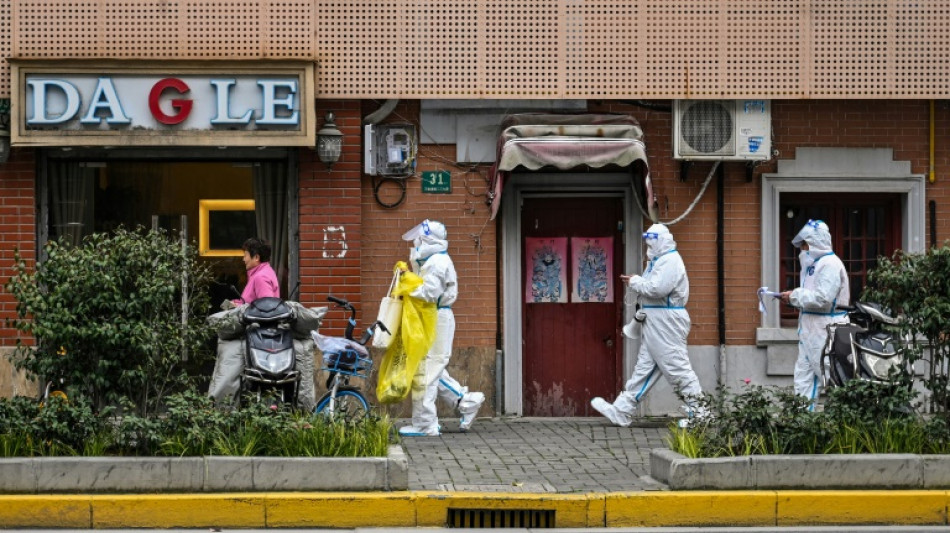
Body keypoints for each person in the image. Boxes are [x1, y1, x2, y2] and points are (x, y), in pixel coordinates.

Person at [590, 223, 703, 427]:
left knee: (676, 366)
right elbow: (653, 288)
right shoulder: (660, 261)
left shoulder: (670, 261)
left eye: (651, 241)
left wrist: (635, 282)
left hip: (666, 321)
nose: (648, 245)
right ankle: (623, 409)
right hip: (657, 319)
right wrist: (637, 282)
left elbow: (657, 289)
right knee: (645, 367)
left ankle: (701, 411)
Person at [397, 219, 485, 437]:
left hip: (436, 317)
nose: (416, 242)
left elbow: (428, 293)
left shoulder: (436, 262)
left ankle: (426, 424)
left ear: (428, 239)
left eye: (420, 238)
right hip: (433, 317)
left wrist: (406, 285)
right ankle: (466, 401)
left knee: (427, 369)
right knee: (432, 367)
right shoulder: (432, 260)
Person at [780, 219, 850, 408]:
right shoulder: (814, 265)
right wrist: (793, 297)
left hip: (827, 332)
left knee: (834, 378)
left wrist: (794, 296)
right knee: (803, 379)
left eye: (805, 244)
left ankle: (846, 426)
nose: (802, 249)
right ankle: (802, 425)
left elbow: (822, 298)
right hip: (810, 331)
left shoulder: (830, 264)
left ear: (815, 242)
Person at [233, 237, 280, 305]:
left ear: (256, 257)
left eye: (245, 255)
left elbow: (266, 309)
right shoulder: (261, 273)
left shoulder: (261, 277)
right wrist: (237, 304)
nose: (243, 259)